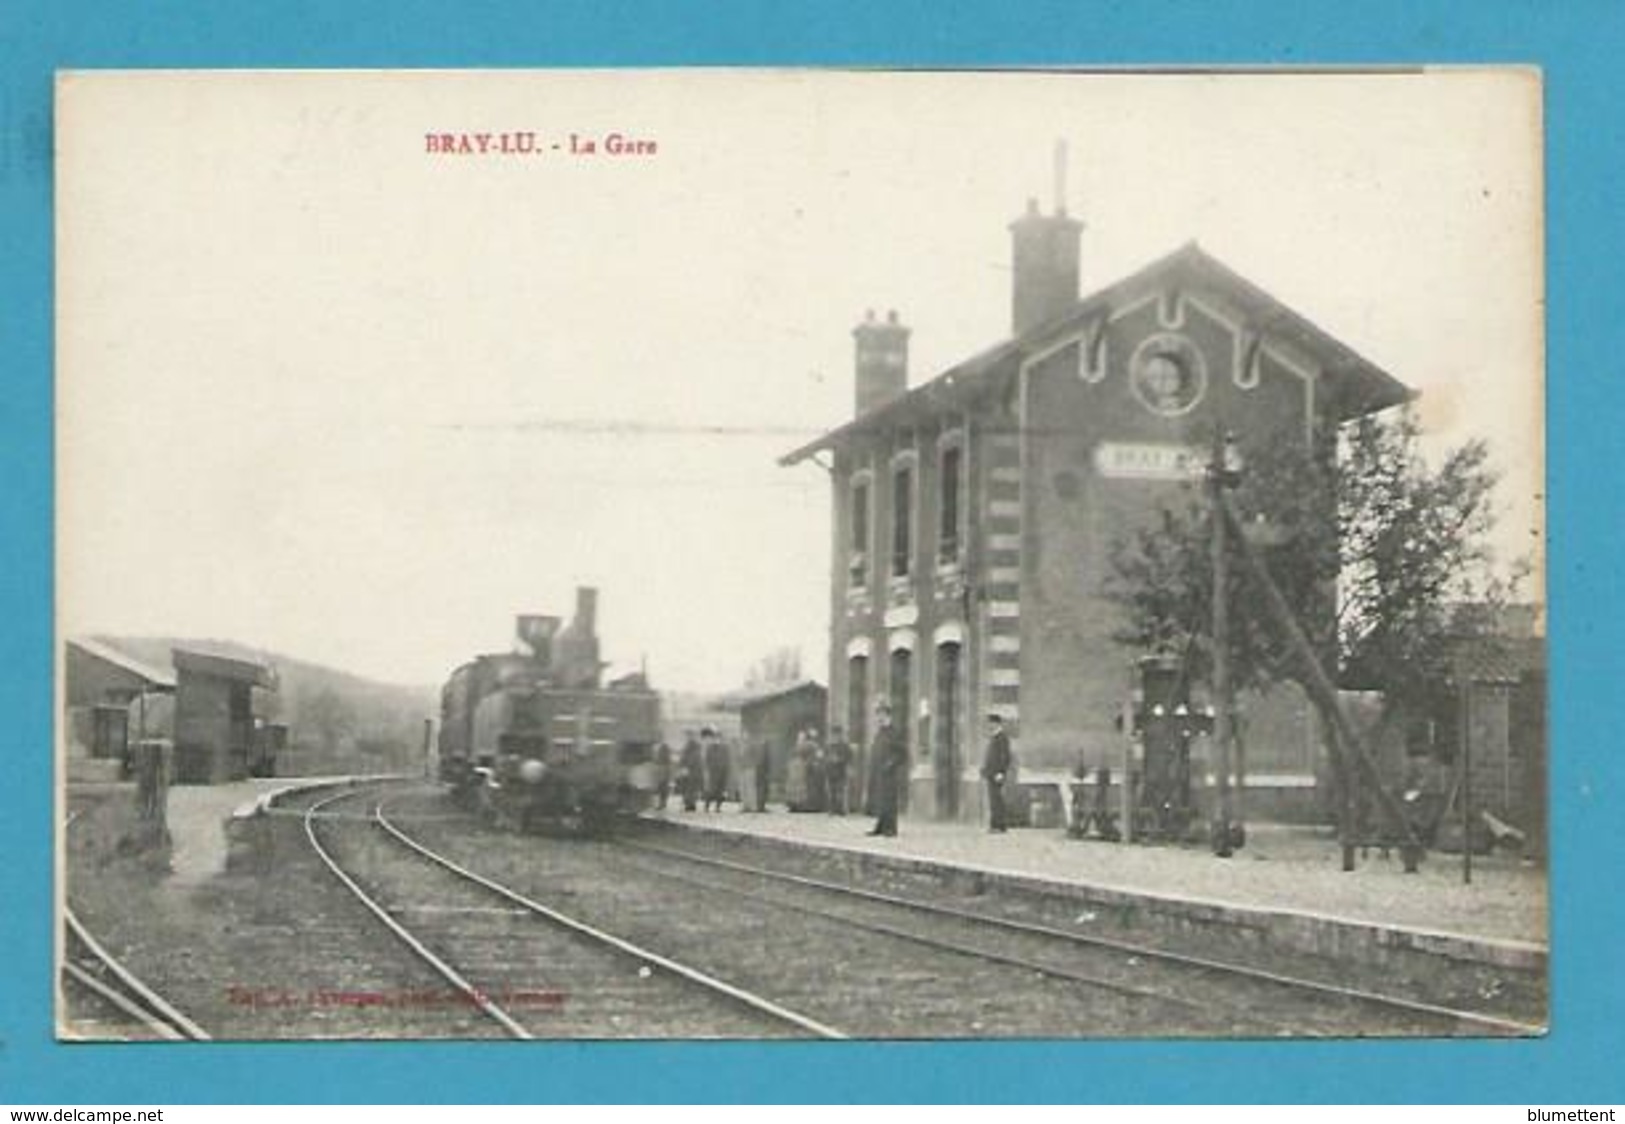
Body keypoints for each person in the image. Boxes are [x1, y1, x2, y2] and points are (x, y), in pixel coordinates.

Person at [866, 702, 907, 837]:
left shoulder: (894, 732)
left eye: (881, 715)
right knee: (880, 799)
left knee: (889, 800)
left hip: (889, 773)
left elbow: (902, 753)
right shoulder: (880, 733)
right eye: (878, 715)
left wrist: (891, 764)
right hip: (878, 772)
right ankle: (881, 826)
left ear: (888, 716)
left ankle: (891, 828)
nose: (879, 718)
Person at [982, 712, 1013, 833]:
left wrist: (1001, 772)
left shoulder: (1002, 737)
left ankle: (999, 825)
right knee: (993, 799)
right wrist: (985, 769)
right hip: (991, 773)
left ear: (997, 724)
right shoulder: (995, 736)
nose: (989, 725)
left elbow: (1005, 756)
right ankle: (996, 824)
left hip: (997, 774)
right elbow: (991, 756)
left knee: (997, 800)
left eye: (991, 723)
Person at [824, 725, 853, 815]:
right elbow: (825, 757)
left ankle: (841, 809)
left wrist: (840, 759)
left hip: (841, 770)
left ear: (840, 735)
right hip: (831, 771)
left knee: (840, 791)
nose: (835, 737)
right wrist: (829, 760)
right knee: (832, 790)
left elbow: (849, 757)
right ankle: (832, 809)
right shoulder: (829, 746)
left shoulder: (845, 746)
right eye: (834, 734)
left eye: (837, 734)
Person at [702, 727, 730, 812]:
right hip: (713, 772)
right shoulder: (710, 748)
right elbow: (707, 760)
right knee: (711, 790)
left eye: (719, 737)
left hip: (722, 771)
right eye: (716, 737)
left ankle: (718, 807)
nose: (717, 739)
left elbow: (727, 759)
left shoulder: (725, 747)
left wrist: (726, 769)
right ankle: (707, 806)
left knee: (720, 790)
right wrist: (709, 769)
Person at [677, 730, 703, 812]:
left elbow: (695, 758)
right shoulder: (686, 746)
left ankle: (691, 804)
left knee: (691, 788)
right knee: (687, 788)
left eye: (689, 735)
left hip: (693, 770)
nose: (688, 737)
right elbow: (682, 758)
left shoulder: (696, 746)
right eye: (687, 735)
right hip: (687, 770)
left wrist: (686, 767)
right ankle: (688, 804)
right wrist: (682, 767)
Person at [652, 740, 673, 811]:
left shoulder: (663, 748)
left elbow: (661, 759)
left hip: (664, 771)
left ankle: (662, 804)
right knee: (663, 788)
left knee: (662, 788)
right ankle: (663, 803)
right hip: (664, 771)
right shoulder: (663, 748)